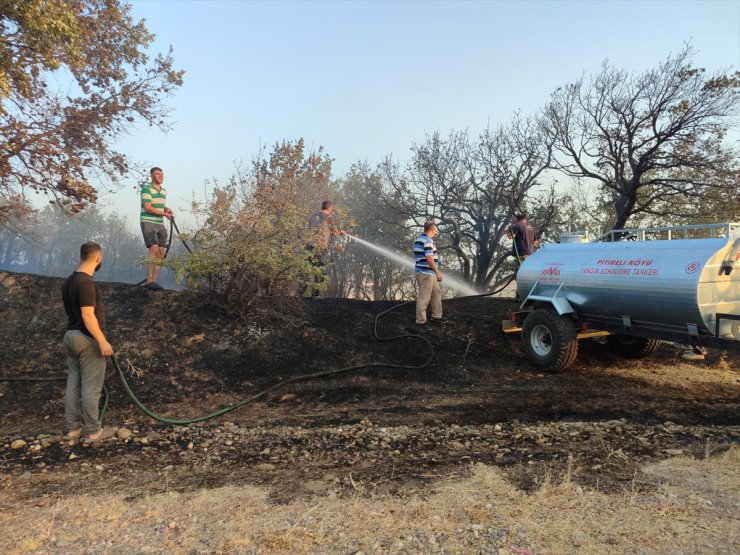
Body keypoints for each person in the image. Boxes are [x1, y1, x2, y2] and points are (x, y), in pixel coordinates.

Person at [61, 242, 116, 442]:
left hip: (70, 337)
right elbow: (87, 315)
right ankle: (94, 431)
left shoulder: (68, 281)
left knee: (73, 385)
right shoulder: (86, 283)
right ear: (97, 258)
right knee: (91, 388)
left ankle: (73, 429)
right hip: (86, 339)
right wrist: (102, 340)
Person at [140, 166, 173, 291]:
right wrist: (165, 214)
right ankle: (149, 281)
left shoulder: (163, 191)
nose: (160, 176)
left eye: (162, 174)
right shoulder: (146, 189)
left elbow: (159, 205)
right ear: (152, 176)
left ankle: (154, 281)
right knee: (153, 250)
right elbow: (148, 207)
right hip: (148, 222)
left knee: (160, 253)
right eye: (158, 174)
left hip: (159, 223)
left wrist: (166, 209)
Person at [307, 200, 343, 296]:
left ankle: (298, 292)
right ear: (330, 208)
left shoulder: (314, 216)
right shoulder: (329, 217)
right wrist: (342, 233)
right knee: (320, 269)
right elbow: (335, 232)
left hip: (309, 246)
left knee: (307, 268)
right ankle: (316, 294)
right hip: (320, 247)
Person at [414, 221, 447, 326]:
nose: (436, 233)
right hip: (427, 273)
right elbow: (429, 257)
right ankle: (421, 321)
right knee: (424, 298)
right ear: (432, 230)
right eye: (435, 230)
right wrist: (437, 272)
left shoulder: (419, 239)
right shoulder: (428, 241)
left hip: (428, 273)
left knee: (436, 293)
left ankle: (437, 316)